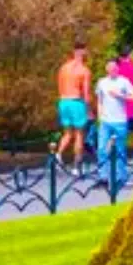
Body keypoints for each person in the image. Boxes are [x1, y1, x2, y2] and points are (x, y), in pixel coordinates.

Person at [93, 58, 133, 186]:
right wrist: (99, 116)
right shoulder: (102, 82)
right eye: (110, 68)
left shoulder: (124, 81)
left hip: (119, 120)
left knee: (119, 149)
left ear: (118, 69)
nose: (112, 70)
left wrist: (120, 95)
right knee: (102, 148)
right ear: (106, 69)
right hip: (106, 121)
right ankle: (103, 177)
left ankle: (121, 177)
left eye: (114, 68)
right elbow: (99, 100)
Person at [54, 42, 93, 173]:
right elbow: (86, 93)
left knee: (67, 133)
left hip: (64, 101)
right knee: (79, 134)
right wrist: (89, 110)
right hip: (76, 101)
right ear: (83, 52)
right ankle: (76, 166)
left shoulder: (63, 68)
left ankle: (58, 155)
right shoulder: (84, 70)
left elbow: (59, 86)